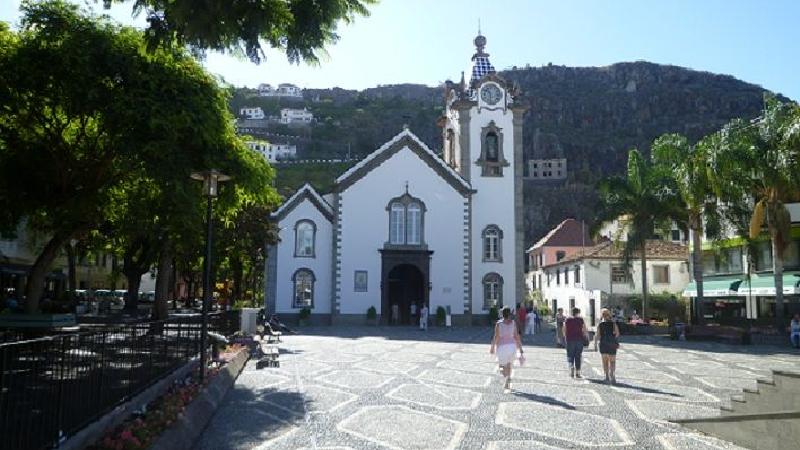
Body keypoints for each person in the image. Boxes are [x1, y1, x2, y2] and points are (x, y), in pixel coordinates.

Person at [490, 306, 523, 392]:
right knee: (509, 365)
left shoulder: (499, 323)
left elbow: (496, 336)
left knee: (501, 366)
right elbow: (516, 336)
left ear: (502, 314)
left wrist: (492, 347)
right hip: (512, 346)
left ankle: (506, 377)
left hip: (502, 347)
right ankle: (508, 378)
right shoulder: (513, 323)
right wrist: (520, 348)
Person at [594, 308, 621, 384]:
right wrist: (613, 339)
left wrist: (595, 345)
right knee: (612, 361)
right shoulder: (613, 324)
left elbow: (598, 336)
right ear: (609, 315)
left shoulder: (600, 324)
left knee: (605, 361)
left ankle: (606, 376)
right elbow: (617, 334)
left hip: (603, 344)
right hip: (612, 344)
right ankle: (612, 375)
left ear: (602, 316)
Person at [563, 307, 589, 379]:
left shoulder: (567, 319)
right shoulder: (580, 319)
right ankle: (578, 372)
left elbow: (564, 329)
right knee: (578, 356)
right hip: (579, 340)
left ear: (572, 312)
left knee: (570, 355)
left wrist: (565, 337)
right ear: (578, 313)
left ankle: (571, 367)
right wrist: (586, 337)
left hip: (570, 340)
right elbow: (584, 329)